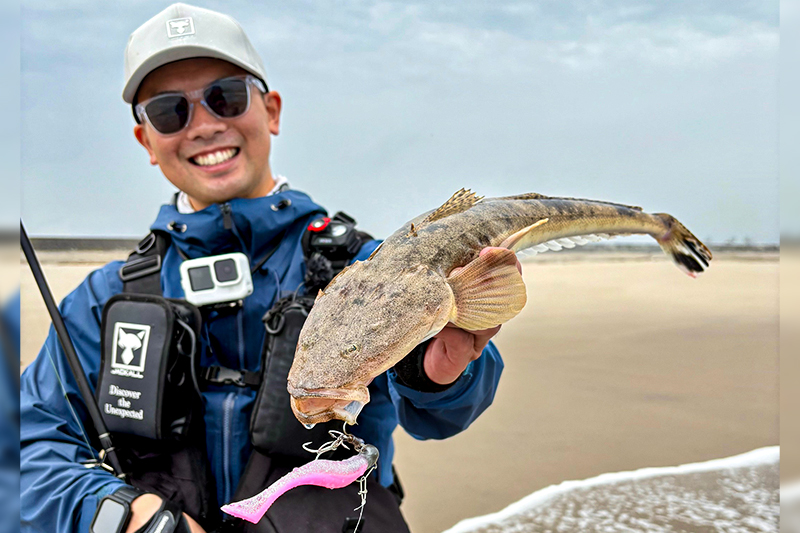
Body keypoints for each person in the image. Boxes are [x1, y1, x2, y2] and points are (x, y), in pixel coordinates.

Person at [20, 4, 507, 532]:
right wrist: (124, 514)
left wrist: (439, 373)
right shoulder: (101, 302)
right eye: (168, 111)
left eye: (224, 97)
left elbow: (443, 413)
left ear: (271, 110)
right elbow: (23, 448)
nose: (204, 125)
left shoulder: (368, 268)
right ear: (147, 143)